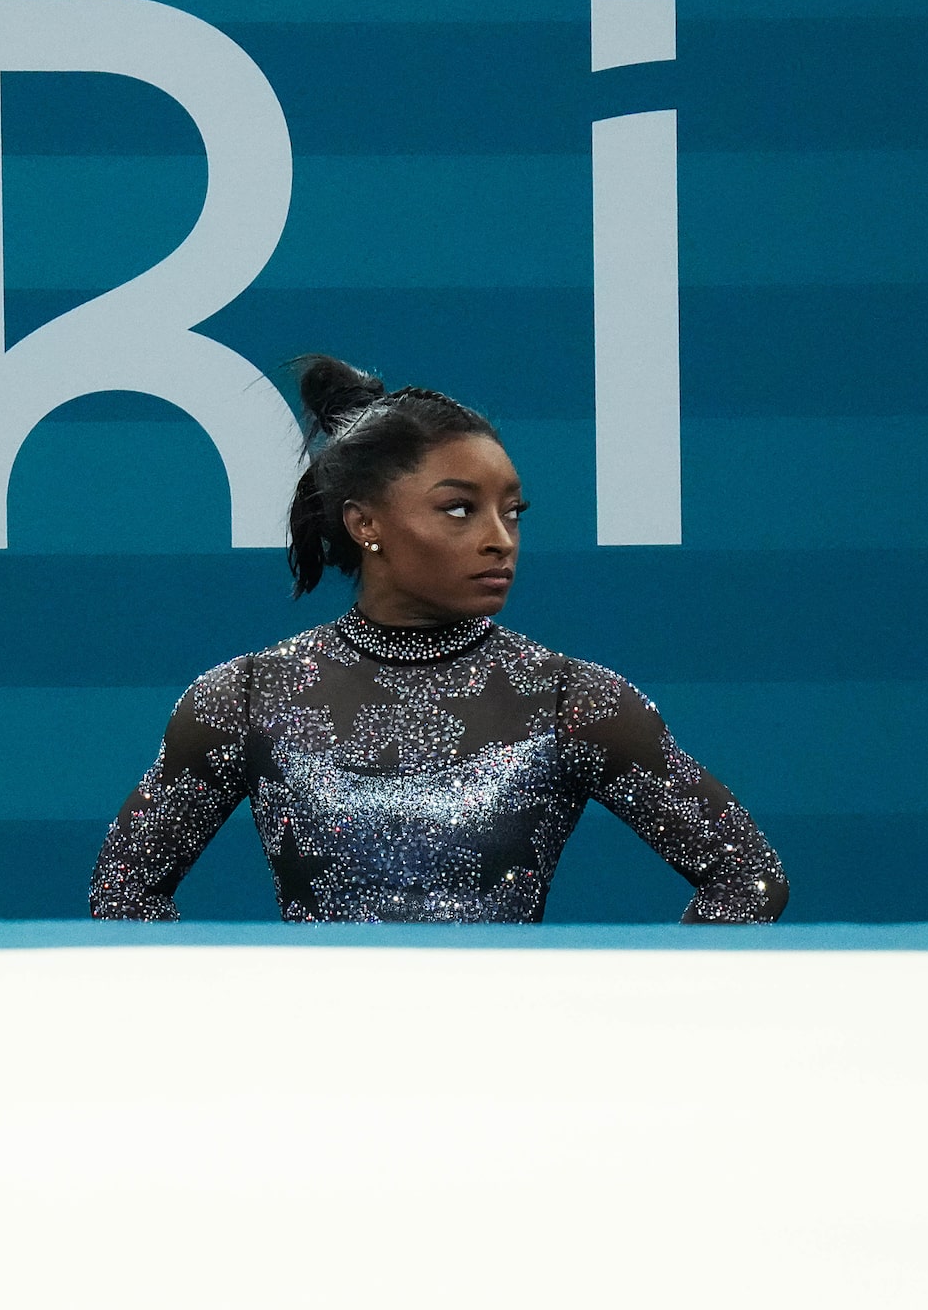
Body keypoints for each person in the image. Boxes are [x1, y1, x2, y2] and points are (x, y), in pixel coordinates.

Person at [89, 356, 787, 924]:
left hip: (508, 1077)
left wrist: (619, 1017)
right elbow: (123, 892)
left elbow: (749, 880)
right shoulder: (245, 697)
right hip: (310, 1075)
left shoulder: (571, 700)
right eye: (459, 509)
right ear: (366, 525)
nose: (499, 539)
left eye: (512, 512)